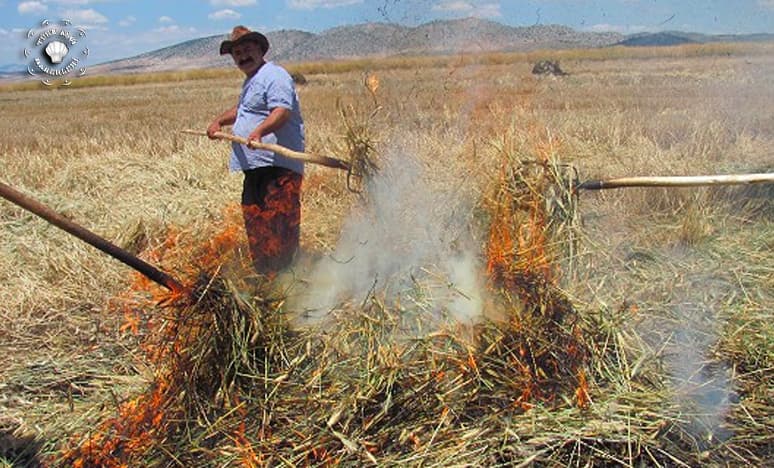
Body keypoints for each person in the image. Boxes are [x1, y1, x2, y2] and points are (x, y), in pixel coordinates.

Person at [207, 26, 304, 275]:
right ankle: (265, 276)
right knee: (256, 221)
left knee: (279, 223)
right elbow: (243, 111)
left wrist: (259, 132)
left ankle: (287, 278)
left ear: (260, 50)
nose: (242, 56)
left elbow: (281, 111)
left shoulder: (275, 75)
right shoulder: (252, 81)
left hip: (277, 166)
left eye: (247, 50)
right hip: (255, 167)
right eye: (237, 53)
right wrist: (219, 121)